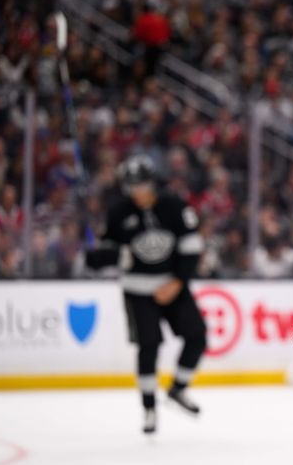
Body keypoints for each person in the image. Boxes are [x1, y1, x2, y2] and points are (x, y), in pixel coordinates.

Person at [85, 154, 206, 434]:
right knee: (149, 345)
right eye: (131, 187)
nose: (137, 192)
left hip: (173, 285)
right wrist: (111, 254)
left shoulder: (174, 206)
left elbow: (192, 247)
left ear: (152, 182)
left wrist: (178, 281)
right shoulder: (118, 212)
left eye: (141, 185)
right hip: (138, 290)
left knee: (197, 335)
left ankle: (178, 389)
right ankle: (149, 407)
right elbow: (99, 257)